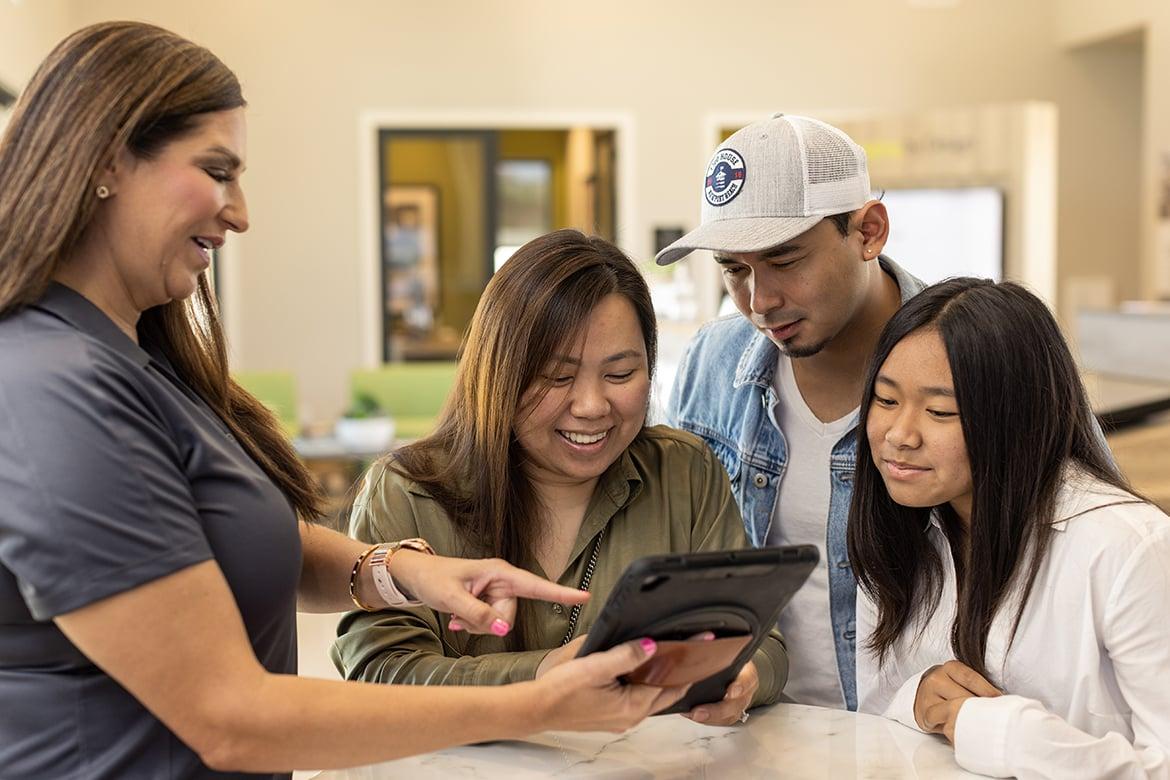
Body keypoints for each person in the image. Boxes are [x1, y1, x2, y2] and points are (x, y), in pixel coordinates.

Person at [0, 22, 687, 779]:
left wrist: (392, 570)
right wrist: (536, 700)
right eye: (217, 170)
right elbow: (231, 718)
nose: (240, 211)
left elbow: (231, 541)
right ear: (106, 161)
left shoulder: (135, 361)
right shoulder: (53, 387)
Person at [332, 229, 788, 727]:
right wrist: (545, 675)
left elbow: (760, 639)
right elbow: (380, 674)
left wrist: (743, 676)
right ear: (500, 373)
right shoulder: (408, 491)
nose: (592, 407)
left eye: (619, 375)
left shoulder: (685, 471)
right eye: (556, 377)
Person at [848, 277, 1170, 778]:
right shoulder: (898, 531)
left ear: (1015, 416)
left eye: (940, 411)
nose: (899, 435)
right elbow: (874, 723)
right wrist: (918, 700)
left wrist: (1006, 734)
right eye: (886, 401)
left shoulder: (1129, 548)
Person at [658, 113, 926, 710]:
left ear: (869, 231)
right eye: (734, 268)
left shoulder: (983, 355)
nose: (760, 300)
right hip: (762, 735)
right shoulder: (712, 361)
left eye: (784, 260)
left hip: (928, 742)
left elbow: (1080, 553)